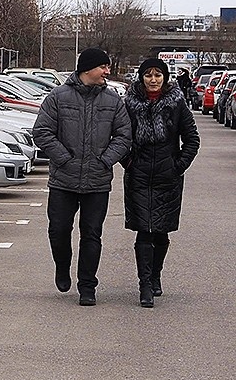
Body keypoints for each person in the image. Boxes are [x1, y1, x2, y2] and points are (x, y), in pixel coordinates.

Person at [32, 48, 132, 306]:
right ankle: (62, 267)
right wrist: (64, 158)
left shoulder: (112, 101)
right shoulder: (58, 97)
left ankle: (88, 285)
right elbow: (42, 132)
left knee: (92, 234)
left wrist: (105, 160)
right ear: (87, 68)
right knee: (59, 230)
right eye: (103, 67)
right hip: (63, 181)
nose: (107, 72)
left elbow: (123, 136)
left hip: (97, 182)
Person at [122, 58, 200, 308]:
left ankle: (155, 275)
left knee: (162, 232)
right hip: (139, 175)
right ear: (141, 77)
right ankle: (144, 285)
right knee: (144, 231)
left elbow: (192, 140)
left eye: (158, 75)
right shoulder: (130, 103)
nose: (153, 80)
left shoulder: (177, 103)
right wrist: (129, 163)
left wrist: (177, 166)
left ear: (165, 78)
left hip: (168, 177)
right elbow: (120, 137)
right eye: (148, 75)